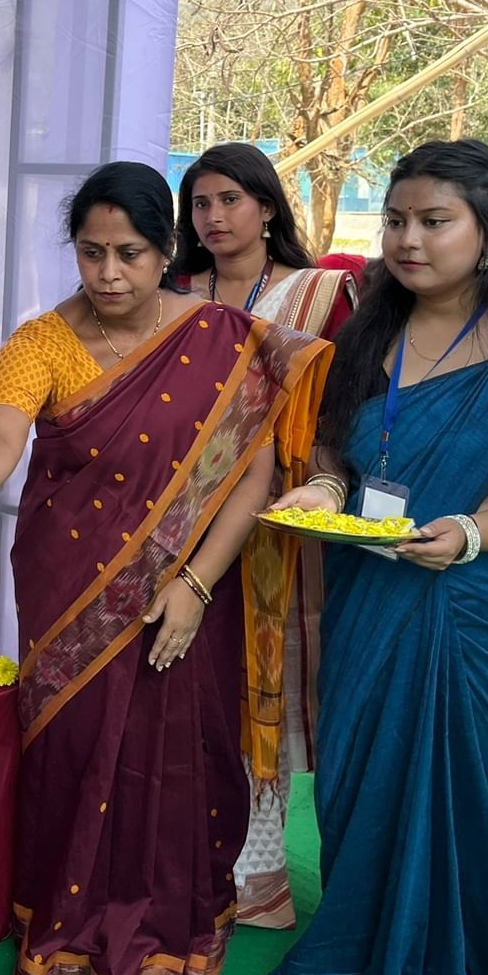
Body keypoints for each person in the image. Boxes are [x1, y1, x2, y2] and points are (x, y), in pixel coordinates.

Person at [0, 161, 331, 975]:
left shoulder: (219, 337)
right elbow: (0, 431)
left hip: (195, 584)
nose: (108, 273)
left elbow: (251, 476)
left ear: (164, 249)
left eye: (129, 253)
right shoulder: (42, 341)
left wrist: (196, 586)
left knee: (184, 750)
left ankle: (171, 924)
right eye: (91, 251)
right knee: (72, 743)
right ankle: (62, 915)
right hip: (69, 579)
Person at [267, 139, 488, 975]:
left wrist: (470, 535)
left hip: (485, 616)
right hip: (367, 602)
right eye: (396, 221)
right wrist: (323, 490)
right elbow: (334, 449)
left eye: (435, 221)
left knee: (475, 804)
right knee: (359, 791)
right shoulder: (369, 329)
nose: (408, 240)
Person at [174, 142, 357, 928]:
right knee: (189, 685)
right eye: (200, 204)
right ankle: (188, 860)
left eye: (230, 201)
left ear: (268, 207)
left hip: (284, 521)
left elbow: (343, 406)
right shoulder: (173, 290)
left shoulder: (319, 297)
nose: (214, 218)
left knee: (262, 686)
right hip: (179, 517)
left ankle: (260, 881)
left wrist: (321, 485)